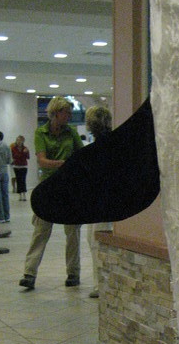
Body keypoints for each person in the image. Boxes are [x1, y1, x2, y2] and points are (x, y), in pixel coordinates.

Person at [18, 97, 83, 290]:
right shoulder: (41, 132)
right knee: (41, 230)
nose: (69, 116)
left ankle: (73, 273)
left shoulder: (71, 133)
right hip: (48, 187)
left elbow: (82, 155)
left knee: (73, 232)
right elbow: (42, 161)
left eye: (70, 112)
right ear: (55, 113)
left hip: (70, 187)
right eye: (66, 112)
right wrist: (64, 164)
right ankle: (29, 273)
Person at [85, 105, 114, 298]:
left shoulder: (102, 146)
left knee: (96, 241)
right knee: (94, 240)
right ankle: (100, 282)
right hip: (99, 201)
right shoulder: (106, 143)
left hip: (102, 202)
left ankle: (100, 284)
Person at [11, 135, 30, 201]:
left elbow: (28, 157)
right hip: (16, 166)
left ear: (23, 141)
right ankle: (20, 195)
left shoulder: (25, 148)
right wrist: (22, 153)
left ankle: (24, 194)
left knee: (23, 180)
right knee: (18, 180)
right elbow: (14, 156)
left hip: (24, 166)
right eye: (17, 140)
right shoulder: (13, 148)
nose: (19, 141)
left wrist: (26, 152)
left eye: (20, 140)